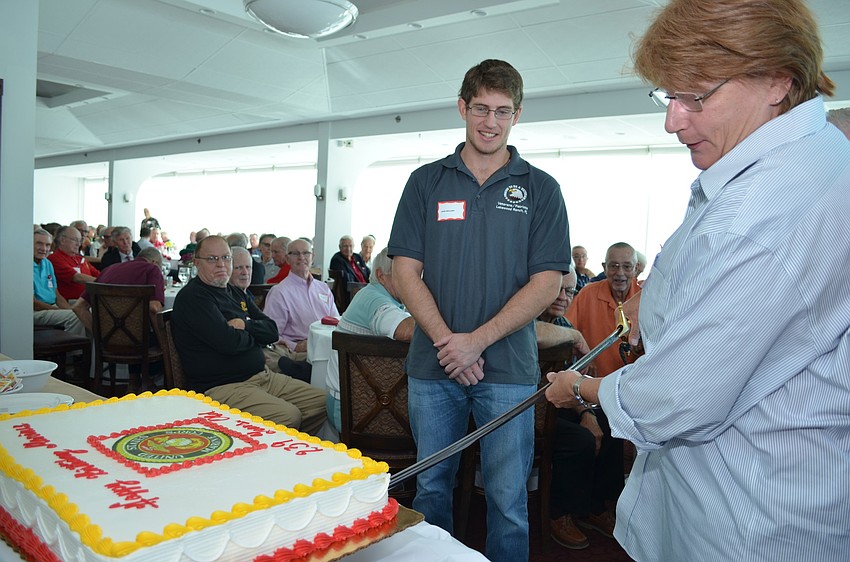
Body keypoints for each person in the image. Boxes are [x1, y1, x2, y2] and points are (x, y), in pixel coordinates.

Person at [544, 1, 850, 560]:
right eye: (668, 96)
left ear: (776, 81)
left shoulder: (767, 208)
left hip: (746, 515)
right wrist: (655, 302)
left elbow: (677, 398)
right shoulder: (811, 161)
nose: (672, 120)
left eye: (696, 97)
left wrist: (579, 389)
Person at [388, 59, 570, 562]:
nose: (491, 122)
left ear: (518, 115)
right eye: (482, 110)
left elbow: (547, 283)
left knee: (510, 502)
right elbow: (405, 271)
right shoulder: (426, 182)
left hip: (508, 369)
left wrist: (475, 342)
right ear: (463, 108)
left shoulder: (542, 189)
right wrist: (451, 342)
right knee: (430, 492)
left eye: (503, 112)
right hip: (433, 365)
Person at [170, 235, 327, 433]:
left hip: (263, 376)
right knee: (289, 416)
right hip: (223, 386)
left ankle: (283, 449)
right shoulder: (194, 298)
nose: (221, 264)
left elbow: (272, 331)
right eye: (212, 259)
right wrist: (254, 336)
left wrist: (245, 326)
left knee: (323, 403)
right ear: (197, 263)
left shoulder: (234, 292)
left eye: (226, 258)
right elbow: (229, 343)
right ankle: (270, 451)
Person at [324, 247, 414, 431]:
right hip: (357, 411)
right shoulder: (374, 300)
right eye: (405, 274)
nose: (412, 282)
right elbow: (406, 331)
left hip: (362, 404)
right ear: (381, 276)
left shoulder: (373, 294)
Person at [263, 239, 338, 362]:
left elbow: (335, 321)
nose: (301, 257)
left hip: (327, 347)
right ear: (287, 259)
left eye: (306, 253)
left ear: (312, 257)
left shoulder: (323, 288)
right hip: (298, 354)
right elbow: (270, 334)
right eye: (295, 254)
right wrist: (296, 346)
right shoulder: (279, 292)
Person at [72, 247, 165, 332]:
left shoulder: (108, 270)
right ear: (155, 262)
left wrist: (99, 334)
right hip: (140, 341)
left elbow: (78, 307)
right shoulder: (153, 269)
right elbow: (154, 308)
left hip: (108, 342)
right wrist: (165, 346)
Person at [32, 228, 87, 336]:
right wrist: (63, 311)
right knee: (76, 317)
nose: (44, 248)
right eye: (39, 244)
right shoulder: (22, 265)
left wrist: (70, 309)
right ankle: (74, 352)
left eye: (47, 245)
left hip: (51, 307)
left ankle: (91, 351)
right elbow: (33, 303)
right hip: (35, 312)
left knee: (86, 313)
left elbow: (57, 295)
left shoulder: (47, 263)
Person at [47, 226, 100, 301]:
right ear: (62, 240)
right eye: (75, 240)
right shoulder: (55, 258)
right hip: (72, 302)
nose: (78, 244)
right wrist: (103, 282)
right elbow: (77, 278)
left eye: (80, 240)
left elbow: (98, 274)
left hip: (89, 300)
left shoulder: (80, 259)